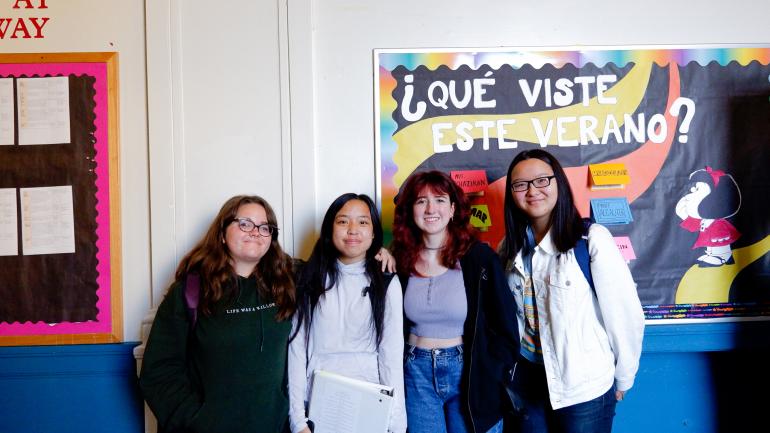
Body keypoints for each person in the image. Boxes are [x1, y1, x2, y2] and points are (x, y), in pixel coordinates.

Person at [498, 149, 645, 433]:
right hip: (527, 383)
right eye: (520, 184)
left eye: (542, 180)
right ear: (511, 194)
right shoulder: (508, 248)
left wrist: (624, 376)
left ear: (558, 184)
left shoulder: (591, 240)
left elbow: (625, 315)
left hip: (583, 387)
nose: (532, 191)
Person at [139, 195, 296, 433]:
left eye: (265, 227)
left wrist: (374, 256)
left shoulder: (286, 282)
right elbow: (158, 372)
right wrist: (198, 420)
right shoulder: (190, 291)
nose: (255, 232)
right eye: (244, 223)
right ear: (222, 233)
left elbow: (337, 264)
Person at [391, 170, 520, 433]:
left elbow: (505, 324)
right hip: (416, 373)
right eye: (420, 201)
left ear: (452, 210)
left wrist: (493, 373)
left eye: (439, 200)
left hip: (468, 372)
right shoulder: (399, 261)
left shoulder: (479, 258)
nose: (430, 208)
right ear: (411, 211)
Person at [287, 193, 406, 433]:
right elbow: (297, 350)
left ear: (373, 233)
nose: (353, 230)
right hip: (319, 407)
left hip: (370, 405)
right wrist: (297, 420)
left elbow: (391, 354)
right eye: (343, 221)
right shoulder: (308, 278)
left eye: (363, 222)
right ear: (330, 229)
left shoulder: (386, 281)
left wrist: (396, 423)